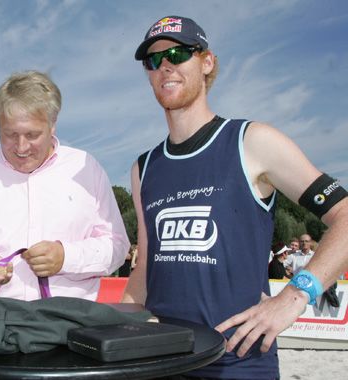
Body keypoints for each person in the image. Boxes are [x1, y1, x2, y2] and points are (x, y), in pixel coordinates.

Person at [121, 15, 348, 379]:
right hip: (158, 362)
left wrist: (293, 297)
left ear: (207, 62)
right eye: (153, 60)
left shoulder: (252, 142)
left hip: (237, 363)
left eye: (178, 54)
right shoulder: (143, 167)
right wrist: (115, 329)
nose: (165, 67)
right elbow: (146, 268)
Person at [0, 70, 129, 304]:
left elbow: (117, 246)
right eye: (9, 134)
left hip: (70, 321)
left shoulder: (86, 168)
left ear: (53, 125)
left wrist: (66, 257)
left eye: (32, 135)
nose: (21, 147)